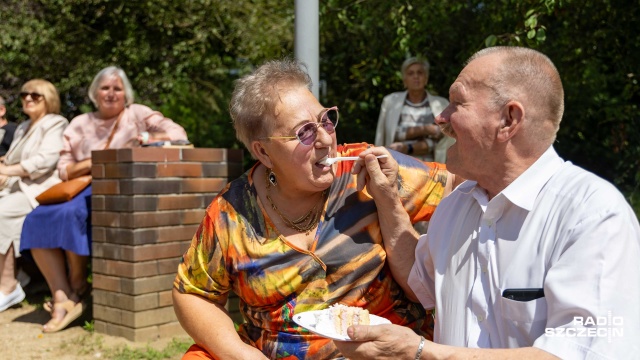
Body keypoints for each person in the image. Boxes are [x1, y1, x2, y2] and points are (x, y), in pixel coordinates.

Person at [334, 46, 640, 359]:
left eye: (457, 103)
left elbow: (586, 353)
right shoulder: (458, 205)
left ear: (509, 119)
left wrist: (422, 353)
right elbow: (420, 278)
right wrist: (386, 195)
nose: (441, 118)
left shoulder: (593, 215)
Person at [172, 59, 457, 359]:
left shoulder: (363, 171)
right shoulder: (232, 213)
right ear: (263, 152)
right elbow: (192, 292)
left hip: (383, 347)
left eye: (326, 120)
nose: (324, 139)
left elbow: (458, 186)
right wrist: (241, 355)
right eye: (304, 133)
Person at [19, 66, 188, 333]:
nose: (111, 93)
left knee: (69, 215)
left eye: (117, 88)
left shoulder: (138, 114)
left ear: (126, 94)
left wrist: (145, 137)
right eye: (105, 88)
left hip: (118, 187)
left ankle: (76, 288)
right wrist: (97, 160)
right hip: (78, 187)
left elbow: (178, 134)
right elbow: (64, 168)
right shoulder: (80, 123)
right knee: (36, 217)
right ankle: (61, 293)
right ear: (95, 92)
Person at [0, 80, 68, 312]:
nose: (27, 98)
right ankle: (19, 276)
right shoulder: (22, 127)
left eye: (35, 95)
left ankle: (9, 285)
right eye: (24, 94)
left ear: (48, 98)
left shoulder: (55, 123)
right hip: (15, 185)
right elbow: (10, 160)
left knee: (2, 213)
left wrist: (5, 171)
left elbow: (43, 162)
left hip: (38, 189)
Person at [375, 57, 455, 164]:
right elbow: (391, 134)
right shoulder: (390, 102)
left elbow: (441, 139)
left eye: (420, 73)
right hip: (397, 166)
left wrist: (407, 147)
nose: (416, 76)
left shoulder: (441, 104)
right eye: (411, 73)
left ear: (426, 78)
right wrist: (426, 129)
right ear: (404, 79)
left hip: (431, 169)